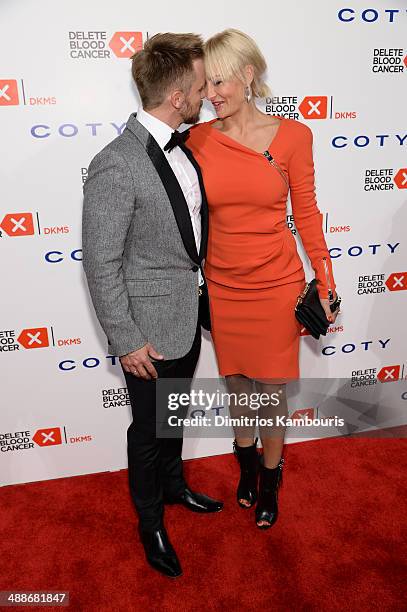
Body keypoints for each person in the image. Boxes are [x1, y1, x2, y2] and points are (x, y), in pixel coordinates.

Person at [82, 32, 223, 579]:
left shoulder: (185, 146)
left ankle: (174, 487)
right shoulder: (117, 162)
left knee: (174, 416)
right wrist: (125, 338)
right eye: (199, 86)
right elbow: (101, 262)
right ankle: (150, 524)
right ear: (177, 96)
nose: (205, 94)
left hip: (184, 316)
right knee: (147, 433)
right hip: (145, 330)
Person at [187, 29, 340, 529]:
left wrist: (326, 279)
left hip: (276, 286)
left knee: (270, 395)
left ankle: (271, 477)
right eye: (205, 85)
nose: (211, 95)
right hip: (224, 288)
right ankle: (247, 465)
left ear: (247, 76)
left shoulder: (294, 136)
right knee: (237, 388)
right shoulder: (196, 141)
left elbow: (309, 213)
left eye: (219, 82)